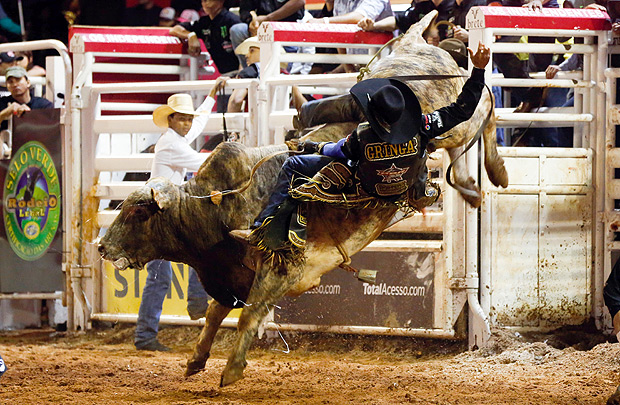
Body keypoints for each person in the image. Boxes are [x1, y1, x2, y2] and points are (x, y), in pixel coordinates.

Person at [231, 42, 490, 243]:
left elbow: (338, 150)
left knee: (293, 166)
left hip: (366, 183)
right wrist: (478, 71)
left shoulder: (363, 135)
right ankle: (421, 192)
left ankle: (261, 228)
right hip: (403, 185)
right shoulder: (424, 127)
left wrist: (311, 147)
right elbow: (461, 110)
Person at [135, 76, 228, 351]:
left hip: (166, 214)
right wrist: (227, 151)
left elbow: (198, 125)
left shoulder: (173, 138)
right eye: (183, 119)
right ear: (172, 119)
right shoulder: (171, 145)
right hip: (160, 217)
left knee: (176, 266)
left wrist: (211, 96)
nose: (188, 124)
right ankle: (149, 333)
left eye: (189, 119)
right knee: (163, 274)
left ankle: (155, 329)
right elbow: (202, 161)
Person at [169, 0, 241, 76]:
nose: (205, 3)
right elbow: (174, 30)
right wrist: (191, 36)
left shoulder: (233, 21)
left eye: (209, 0)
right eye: (203, 1)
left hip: (238, 73)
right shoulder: (204, 22)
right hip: (222, 74)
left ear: (221, 2)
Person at [230, 0, 305, 68]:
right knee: (238, 30)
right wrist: (252, 22)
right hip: (259, 27)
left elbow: (299, 2)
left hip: (286, 27)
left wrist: (268, 18)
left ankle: (284, 71)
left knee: (282, 71)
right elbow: (245, 11)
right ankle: (249, 70)